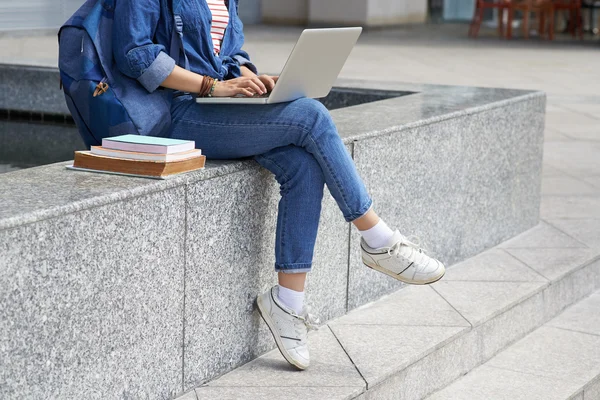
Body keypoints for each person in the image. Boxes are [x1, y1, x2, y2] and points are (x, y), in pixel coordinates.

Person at [113, 0, 445, 371]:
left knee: (304, 164)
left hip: (219, 105)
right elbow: (136, 55)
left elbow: (233, 52)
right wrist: (213, 86)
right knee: (311, 115)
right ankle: (378, 240)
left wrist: (251, 80)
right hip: (177, 112)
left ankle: (288, 301)